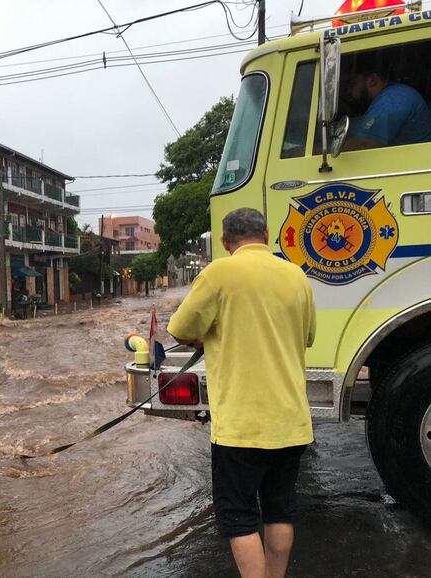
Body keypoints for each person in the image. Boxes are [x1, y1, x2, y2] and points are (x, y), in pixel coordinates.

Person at [166, 208, 316, 578]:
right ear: (266, 235)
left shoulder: (219, 273)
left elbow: (179, 327)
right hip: (290, 421)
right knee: (281, 511)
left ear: (224, 242)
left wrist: (208, 336)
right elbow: (308, 336)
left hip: (241, 427)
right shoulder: (295, 275)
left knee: (240, 517)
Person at [343, 55, 431, 150]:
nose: (349, 92)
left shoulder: (394, 97)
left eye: (352, 84)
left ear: (372, 80)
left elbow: (364, 144)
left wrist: (328, 151)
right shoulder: (393, 95)